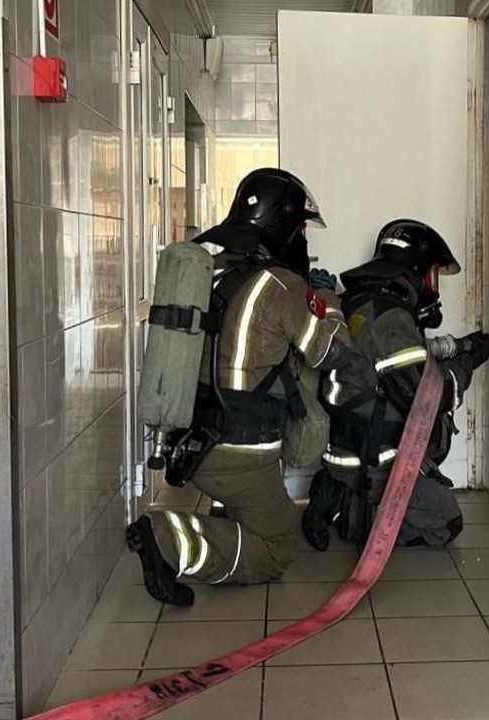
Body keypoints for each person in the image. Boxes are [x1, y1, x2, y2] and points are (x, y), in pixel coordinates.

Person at [127, 168, 355, 606]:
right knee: (277, 545)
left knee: (250, 506)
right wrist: (328, 304)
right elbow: (330, 352)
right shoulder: (282, 284)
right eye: (301, 229)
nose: (303, 238)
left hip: (190, 437)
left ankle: (224, 521)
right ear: (283, 226)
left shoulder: (213, 272)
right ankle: (168, 538)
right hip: (239, 448)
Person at [302, 219, 489, 550]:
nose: (433, 287)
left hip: (346, 447)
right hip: (375, 459)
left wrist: (457, 348)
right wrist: (469, 361)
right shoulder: (390, 318)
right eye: (433, 275)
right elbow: (427, 399)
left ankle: (338, 491)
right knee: (446, 524)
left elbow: (395, 364)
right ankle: (358, 511)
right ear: (416, 270)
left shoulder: (357, 301)